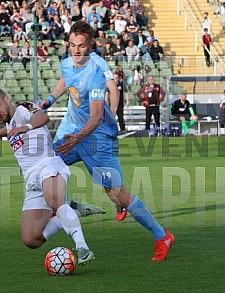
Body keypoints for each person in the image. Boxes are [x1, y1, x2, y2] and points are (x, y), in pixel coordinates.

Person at [38, 21, 174, 261]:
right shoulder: (67, 62)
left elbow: (98, 116)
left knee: (117, 195)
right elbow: (65, 79)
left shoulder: (97, 73)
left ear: (91, 45)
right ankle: (66, 208)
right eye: (72, 45)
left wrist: (81, 137)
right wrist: (49, 99)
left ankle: (161, 235)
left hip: (96, 139)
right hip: (71, 130)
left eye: (81, 46)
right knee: (44, 165)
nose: (76, 51)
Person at [0, 87, 94, 265]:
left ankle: (82, 247)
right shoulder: (10, 122)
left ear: (7, 99)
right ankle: (72, 211)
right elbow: (8, 130)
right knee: (31, 239)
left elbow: (43, 118)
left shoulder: (24, 108)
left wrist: (25, 127)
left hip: (48, 165)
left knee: (55, 203)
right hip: (31, 180)